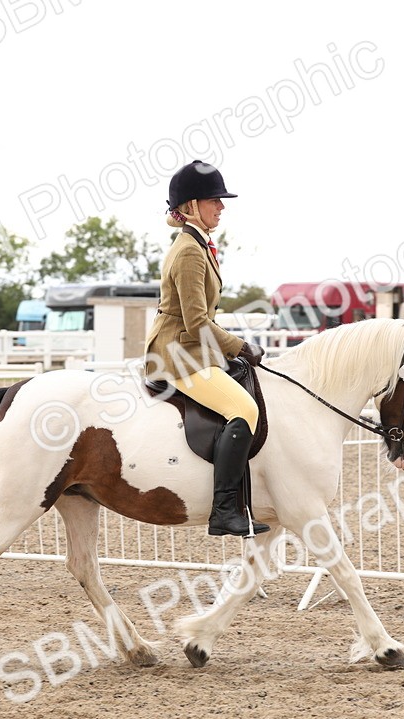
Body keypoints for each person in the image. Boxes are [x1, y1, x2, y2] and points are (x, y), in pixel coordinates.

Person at [144, 160, 268, 538]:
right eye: (215, 199)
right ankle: (225, 509)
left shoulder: (199, 245)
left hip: (192, 349)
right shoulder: (189, 252)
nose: (222, 206)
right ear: (192, 206)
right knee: (244, 409)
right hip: (177, 354)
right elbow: (197, 321)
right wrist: (239, 345)